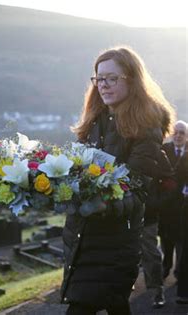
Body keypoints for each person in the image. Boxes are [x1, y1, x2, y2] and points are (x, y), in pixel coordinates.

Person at [63, 47, 176, 315]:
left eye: (112, 78)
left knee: (84, 307)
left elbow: (137, 188)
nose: (103, 85)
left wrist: (102, 204)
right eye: (99, 79)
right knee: (114, 306)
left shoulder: (146, 126)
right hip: (83, 238)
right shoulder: (94, 121)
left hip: (116, 241)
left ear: (131, 79)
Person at [160, 120, 188, 282]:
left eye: (182, 133)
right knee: (166, 237)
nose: (178, 136)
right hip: (166, 203)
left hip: (184, 203)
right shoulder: (164, 150)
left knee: (182, 238)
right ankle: (166, 264)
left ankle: (180, 269)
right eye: (176, 132)